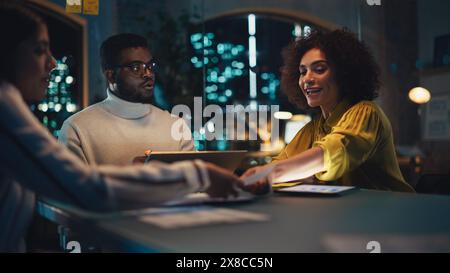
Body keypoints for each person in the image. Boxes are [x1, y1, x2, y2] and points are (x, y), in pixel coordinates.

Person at [0, 1, 242, 252]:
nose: (52, 63)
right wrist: (197, 175)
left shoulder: (174, 123)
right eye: (39, 50)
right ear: (111, 75)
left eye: (150, 66)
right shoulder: (56, 121)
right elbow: (83, 191)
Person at [242, 29, 414, 193]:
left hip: (393, 214)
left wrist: (271, 174)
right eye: (303, 72)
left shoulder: (366, 112)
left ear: (344, 73)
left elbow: (335, 153)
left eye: (319, 69)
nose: (307, 79)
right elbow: (282, 163)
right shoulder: (313, 128)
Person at [59, 33, 194, 166]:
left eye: (150, 66)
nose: (148, 74)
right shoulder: (77, 128)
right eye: (136, 67)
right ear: (111, 76)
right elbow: (71, 187)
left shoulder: (176, 126)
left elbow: (196, 185)